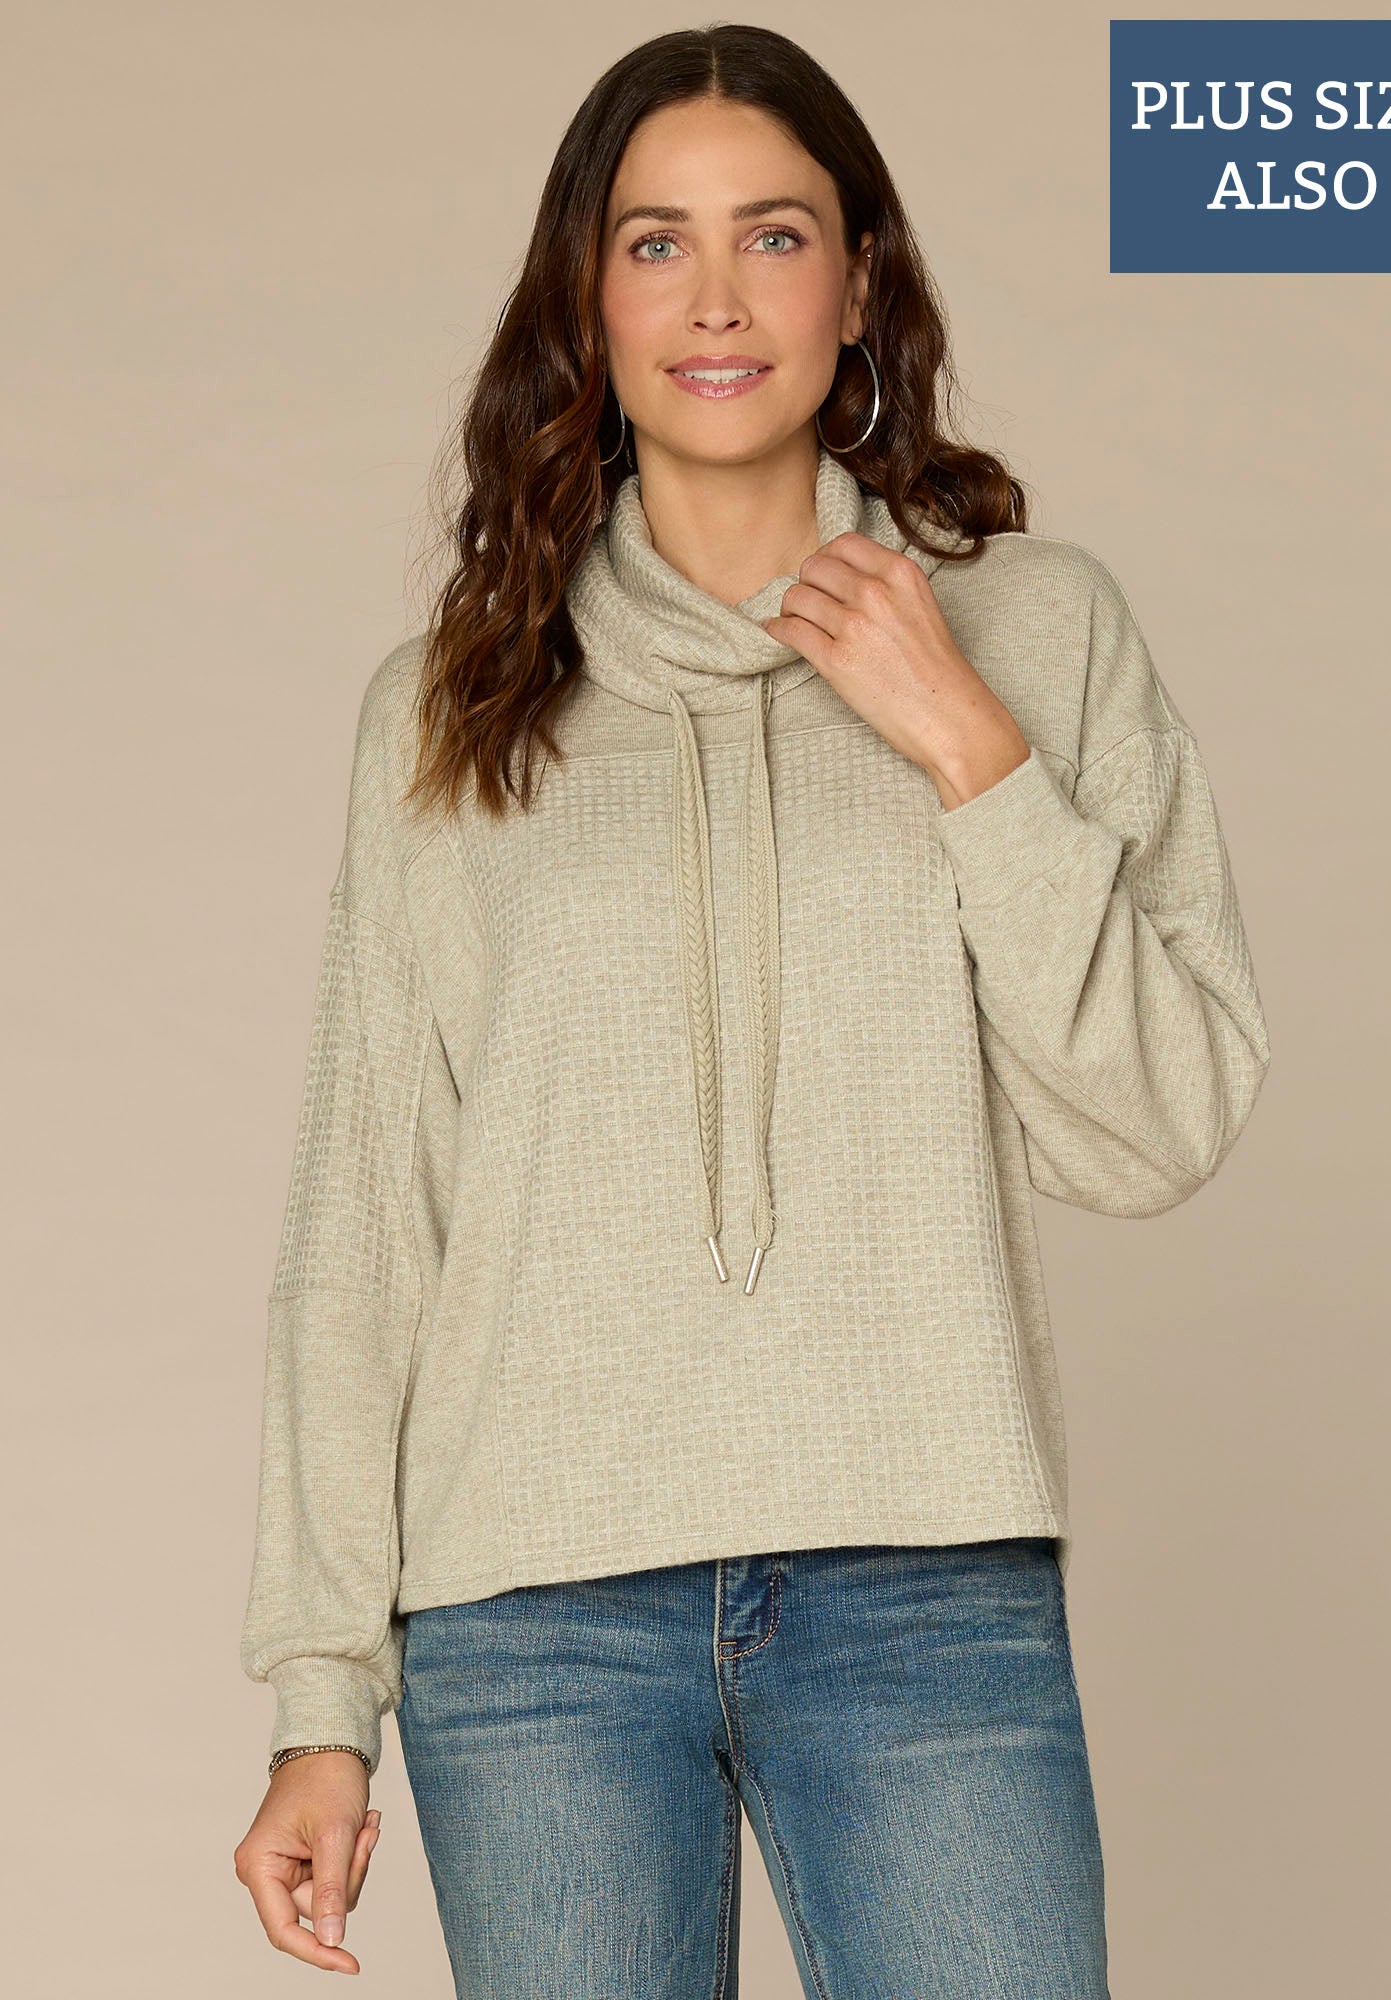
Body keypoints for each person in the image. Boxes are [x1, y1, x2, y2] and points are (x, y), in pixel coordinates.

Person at [233, 24, 1271, 1998]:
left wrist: (966, 743)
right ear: (588, 297)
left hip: (924, 1584)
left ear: (859, 281)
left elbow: (1159, 1126)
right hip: (531, 1620)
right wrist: (318, 1698)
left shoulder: (1037, 626)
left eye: (773, 235)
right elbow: (366, 1218)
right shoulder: (450, 705)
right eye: (656, 244)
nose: (715, 298)